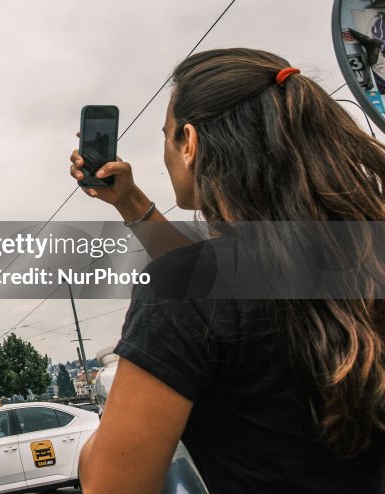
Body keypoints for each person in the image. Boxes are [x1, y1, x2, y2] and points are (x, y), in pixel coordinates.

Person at [69, 48, 385, 493]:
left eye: (166, 136)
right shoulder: (359, 258)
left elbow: (111, 485)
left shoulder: (183, 290)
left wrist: (94, 446)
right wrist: (130, 201)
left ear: (190, 143)